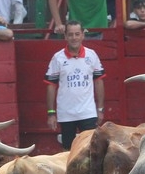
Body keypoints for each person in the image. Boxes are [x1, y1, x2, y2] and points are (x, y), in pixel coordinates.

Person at [45, 19, 105, 149]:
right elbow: (51, 86)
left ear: (83, 35)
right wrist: (51, 113)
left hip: (88, 112)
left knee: (91, 148)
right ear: (65, 36)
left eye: (77, 34)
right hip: (66, 113)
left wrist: (100, 109)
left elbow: (99, 82)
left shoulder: (92, 55)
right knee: (68, 150)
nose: (74, 38)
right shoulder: (58, 58)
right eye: (70, 34)